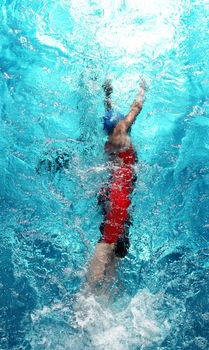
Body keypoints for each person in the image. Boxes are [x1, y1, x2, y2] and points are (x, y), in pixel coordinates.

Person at [87, 79, 146, 288]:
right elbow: (135, 109)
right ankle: (105, 289)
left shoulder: (114, 137)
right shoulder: (123, 132)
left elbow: (122, 114)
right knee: (116, 236)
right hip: (121, 188)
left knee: (110, 238)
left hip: (115, 189)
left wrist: (109, 96)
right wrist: (142, 89)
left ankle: (91, 288)